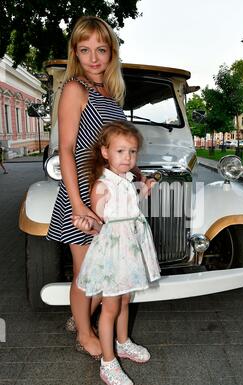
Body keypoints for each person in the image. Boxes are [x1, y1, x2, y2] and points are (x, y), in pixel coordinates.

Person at [47, 16, 133, 359]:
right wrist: (78, 205)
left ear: (111, 52)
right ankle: (84, 333)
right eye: (85, 50)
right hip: (80, 194)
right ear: (75, 53)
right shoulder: (75, 89)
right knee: (87, 272)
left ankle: (79, 317)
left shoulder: (111, 94)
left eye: (101, 49)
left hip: (108, 197)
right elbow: (66, 149)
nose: (94, 58)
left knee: (108, 268)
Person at [72, 120, 160, 385]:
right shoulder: (102, 186)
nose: (128, 158)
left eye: (132, 152)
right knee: (110, 307)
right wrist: (87, 225)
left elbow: (131, 207)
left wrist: (146, 187)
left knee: (125, 299)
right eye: (121, 151)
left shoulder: (126, 181)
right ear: (106, 152)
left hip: (130, 251)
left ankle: (123, 342)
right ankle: (108, 362)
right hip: (113, 255)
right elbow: (101, 226)